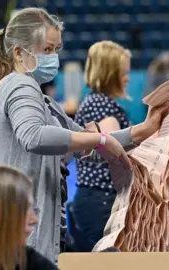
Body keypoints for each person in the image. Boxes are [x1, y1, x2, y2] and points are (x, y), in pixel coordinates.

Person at [0, 8, 169, 263]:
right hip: (19, 226)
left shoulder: (42, 100)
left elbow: (85, 142)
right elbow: (33, 136)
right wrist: (98, 139)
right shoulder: (19, 85)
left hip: (29, 223)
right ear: (18, 53)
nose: (53, 57)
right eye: (47, 50)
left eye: (56, 50)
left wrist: (145, 128)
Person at [69, 41, 132, 252]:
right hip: (102, 201)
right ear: (110, 74)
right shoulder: (101, 106)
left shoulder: (97, 103)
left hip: (97, 199)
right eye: (123, 73)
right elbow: (114, 154)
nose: (128, 78)